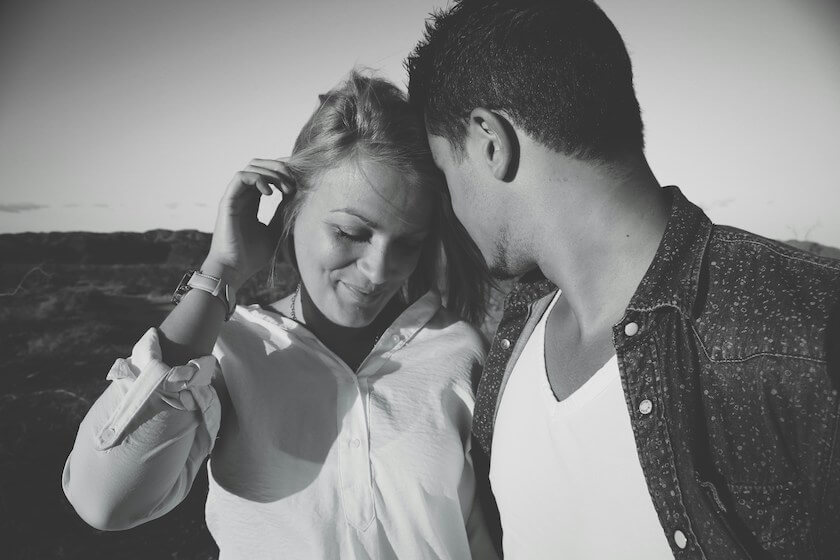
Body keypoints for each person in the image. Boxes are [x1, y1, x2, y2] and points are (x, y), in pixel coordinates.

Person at [406, 0, 840, 558]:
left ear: (491, 141)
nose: (454, 207)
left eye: (446, 171)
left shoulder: (807, 331)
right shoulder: (517, 338)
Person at [62, 71, 499, 560]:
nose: (379, 270)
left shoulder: (458, 350)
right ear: (290, 209)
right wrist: (221, 270)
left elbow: (491, 533)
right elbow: (104, 502)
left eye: (407, 243)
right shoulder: (226, 353)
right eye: (351, 233)